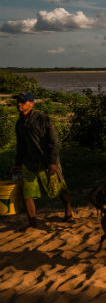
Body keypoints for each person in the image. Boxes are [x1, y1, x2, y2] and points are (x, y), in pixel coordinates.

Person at [10, 92, 73, 230]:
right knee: (27, 192)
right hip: (28, 163)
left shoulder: (43, 119)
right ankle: (32, 223)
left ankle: (68, 210)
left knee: (58, 188)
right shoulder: (19, 123)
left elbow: (54, 142)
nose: (19, 104)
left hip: (46, 161)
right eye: (18, 101)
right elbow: (21, 145)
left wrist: (52, 163)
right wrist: (17, 163)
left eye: (22, 101)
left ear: (31, 104)